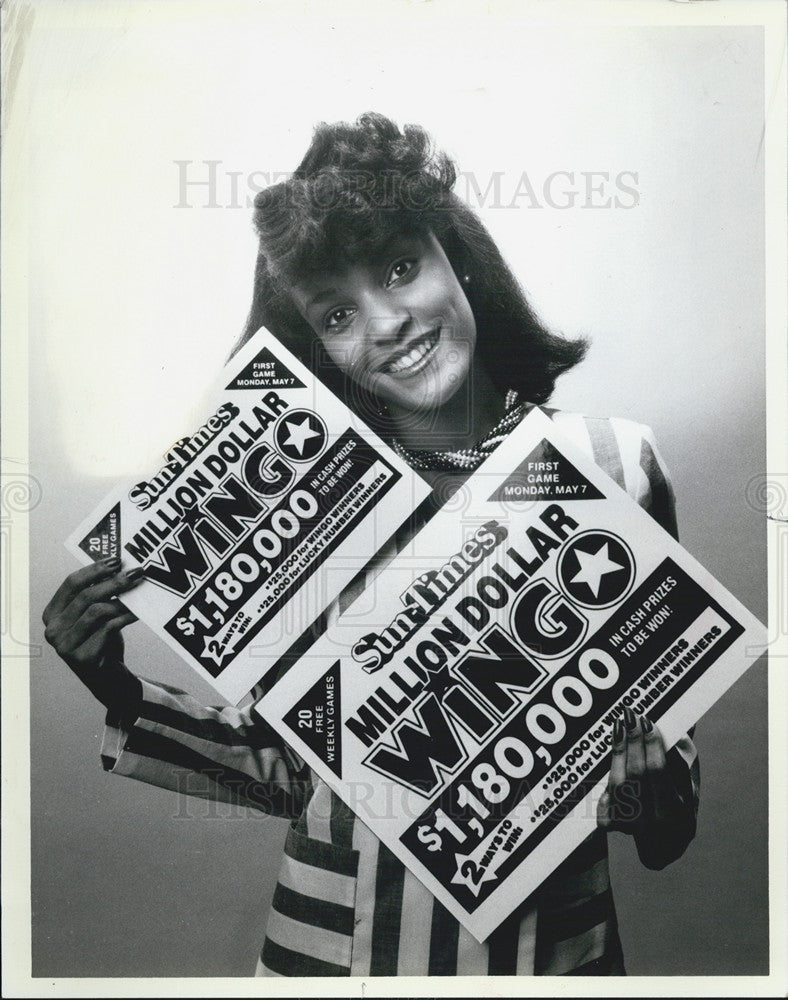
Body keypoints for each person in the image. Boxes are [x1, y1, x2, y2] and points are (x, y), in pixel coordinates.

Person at [42, 113, 699, 977]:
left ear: (456, 253)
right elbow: (294, 771)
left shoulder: (615, 463)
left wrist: (650, 795)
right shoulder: (303, 507)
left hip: (554, 960)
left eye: (400, 267)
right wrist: (115, 684)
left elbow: (661, 760)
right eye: (339, 312)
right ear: (319, 347)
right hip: (325, 961)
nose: (387, 322)